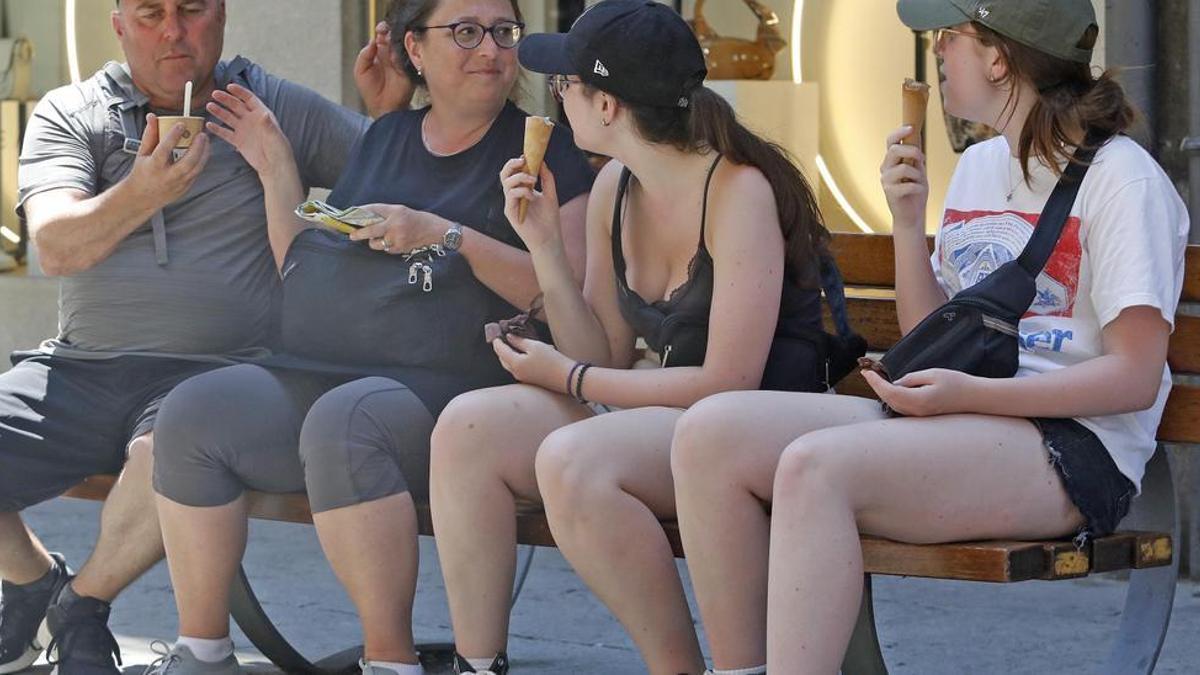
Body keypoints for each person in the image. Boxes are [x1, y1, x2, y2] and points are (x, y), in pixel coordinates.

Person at [668, 0, 1192, 672]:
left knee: (815, 467)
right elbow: (930, 335)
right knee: (709, 434)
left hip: (1074, 447)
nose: (937, 53)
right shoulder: (977, 167)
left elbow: (1134, 376)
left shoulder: (1124, 180)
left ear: (999, 57)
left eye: (951, 37)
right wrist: (908, 221)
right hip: (960, 413)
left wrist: (965, 395)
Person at [145, 1, 594, 674]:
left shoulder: (545, 150)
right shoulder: (388, 137)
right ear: (415, 49)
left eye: (504, 32)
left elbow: (570, 303)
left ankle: (390, 660)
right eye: (466, 32)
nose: (492, 51)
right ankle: (202, 651)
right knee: (193, 412)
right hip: (336, 361)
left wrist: (448, 235)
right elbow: (311, 265)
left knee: (346, 424)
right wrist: (275, 165)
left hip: (459, 383)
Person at [427, 2, 837, 673]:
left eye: (569, 84)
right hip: (659, 415)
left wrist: (568, 379)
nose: (558, 95)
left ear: (610, 105)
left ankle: (676, 666)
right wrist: (544, 250)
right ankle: (479, 664)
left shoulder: (738, 192)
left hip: (750, 426)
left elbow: (726, 382)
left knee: (574, 460)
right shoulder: (614, 184)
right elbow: (604, 351)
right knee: (468, 427)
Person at [0, 1, 400, 672]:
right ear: (119, 21)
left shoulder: (268, 107)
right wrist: (143, 192)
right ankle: (33, 577)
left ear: (221, 15)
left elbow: (406, 185)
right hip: (80, 369)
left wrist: (391, 118)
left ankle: (81, 603)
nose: (173, 31)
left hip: (214, 378)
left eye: (192, 10)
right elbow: (56, 247)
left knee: (181, 441)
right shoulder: (74, 113)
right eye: (151, 13)